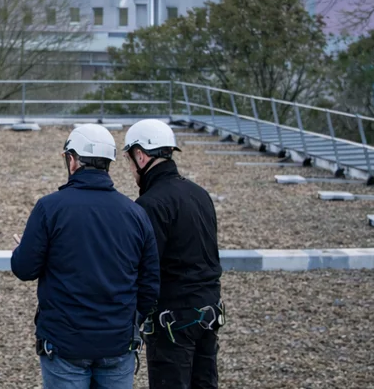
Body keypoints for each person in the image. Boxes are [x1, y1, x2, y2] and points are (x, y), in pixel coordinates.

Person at [12, 124, 160, 389]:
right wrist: (130, 322)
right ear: (108, 163)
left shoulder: (49, 208)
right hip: (117, 343)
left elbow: (24, 269)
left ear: (72, 160)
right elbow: (150, 283)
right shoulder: (135, 213)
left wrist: (24, 249)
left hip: (64, 343)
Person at [122, 119, 223, 389]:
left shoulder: (150, 204)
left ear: (141, 156)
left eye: (130, 160)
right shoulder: (199, 194)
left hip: (173, 322)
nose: (131, 168)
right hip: (208, 314)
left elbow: (142, 269)